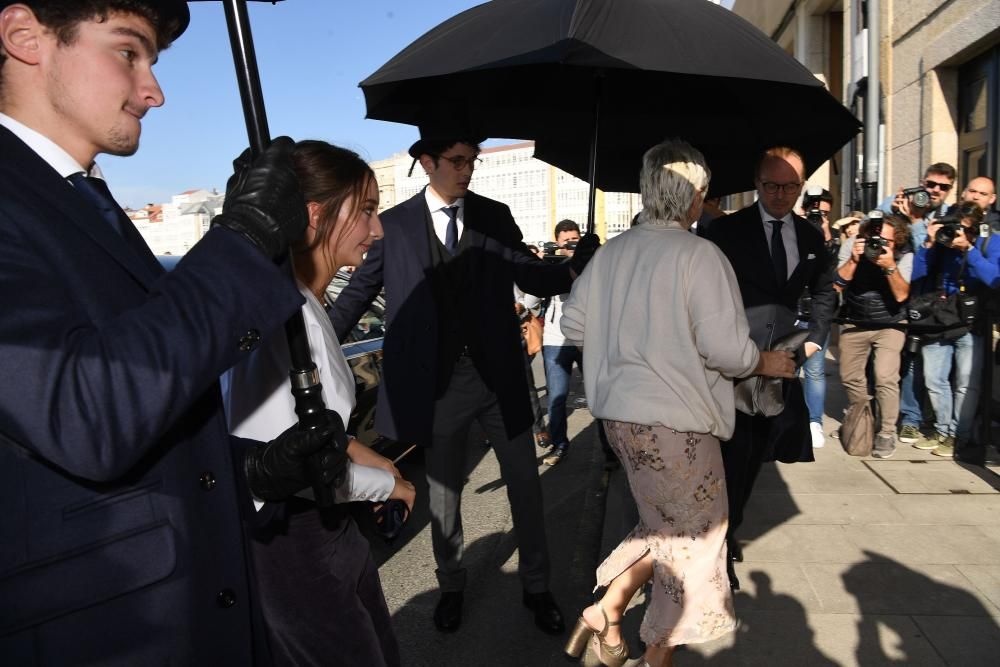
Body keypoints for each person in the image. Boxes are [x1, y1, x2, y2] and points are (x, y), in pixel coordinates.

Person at [0, 1, 346, 663]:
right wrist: (242, 242)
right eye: (129, 52)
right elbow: (83, 410)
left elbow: (142, 401)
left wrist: (257, 470)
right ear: (24, 36)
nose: (154, 90)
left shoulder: (84, 200)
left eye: (152, 61)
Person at [329, 119, 598, 635]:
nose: (466, 170)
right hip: (437, 388)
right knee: (444, 494)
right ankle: (451, 585)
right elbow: (356, 295)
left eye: (472, 160)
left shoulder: (495, 216)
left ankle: (537, 588)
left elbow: (529, 272)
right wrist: (312, 346)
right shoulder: (395, 225)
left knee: (526, 485)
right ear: (426, 162)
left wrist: (569, 267)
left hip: (499, 379)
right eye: (456, 161)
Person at [560, 138, 795, 667]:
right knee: (694, 546)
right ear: (695, 196)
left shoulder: (613, 252)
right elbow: (728, 352)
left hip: (622, 421)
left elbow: (573, 323)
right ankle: (655, 657)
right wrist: (768, 362)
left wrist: (625, 331)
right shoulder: (699, 255)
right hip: (676, 427)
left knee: (667, 527)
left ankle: (608, 609)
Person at [223, 141, 416, 666]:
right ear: (315, 215)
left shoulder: (303, 304)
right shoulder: (281, 318)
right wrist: (390, 484)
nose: (377, 231)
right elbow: (289, 462)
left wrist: (363, 454)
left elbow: (310, 430)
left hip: (330, 537)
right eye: (367, 212)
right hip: (295, 547)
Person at [700, 146, 835, 590]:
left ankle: (729, 528)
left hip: (781, 368)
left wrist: (815, 337)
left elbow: (822, 294)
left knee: (756, 458)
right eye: (772, 185)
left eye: (791, 186)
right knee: (728, 460)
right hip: (731, 364)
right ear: (756, 184)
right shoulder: (726, 232)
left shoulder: (812, 236)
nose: (781, 194)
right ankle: (718, 547)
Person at [911, 201, 1000, 458]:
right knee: (934, 378)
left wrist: (969, 250)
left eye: (963, 229)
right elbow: (917, 273)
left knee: (965, 384)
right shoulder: (942, 241)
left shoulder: (989, 242)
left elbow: (993, 278)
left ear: (976, 228)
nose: (956, 233)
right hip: (941, 317)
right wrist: (930, 243)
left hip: (973, 320)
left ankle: (957, 436)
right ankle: (942, 430)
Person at [880, 162, 956, 443]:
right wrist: (894, 210)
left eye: (943, 187)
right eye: (930, 184)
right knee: (908, 360)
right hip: (901, 293)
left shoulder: (949, 216)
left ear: (949, 190)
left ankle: (931, 418)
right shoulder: (898, 201)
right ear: (921, 182)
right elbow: (877, 228)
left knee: (934, 366)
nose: (934, 191)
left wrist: (916, 222)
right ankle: (910, 418)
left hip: (934, 300)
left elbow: (932, 256)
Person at [835, 212, 914, 459]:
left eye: (886, 242)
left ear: (896, 241)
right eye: (874, 239)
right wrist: (855, 261)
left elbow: (902, 296)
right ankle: (863, 418)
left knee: (885, 376)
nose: (878, 245)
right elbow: (837, 285)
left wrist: (889, 266)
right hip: (855, 319)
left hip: (890, 321)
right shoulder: (852, 245)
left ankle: (887, 432)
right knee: (850, 376)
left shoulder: (904, 254)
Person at [797, 186, 836, 448]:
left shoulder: (830, 240)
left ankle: (814, 422)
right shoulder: (789, 231)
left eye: (823, 213)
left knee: (815, 371)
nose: (817, 216)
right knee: (785, 371)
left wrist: (826, 237)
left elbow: (831, 277)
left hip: (816, 315)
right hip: (791, 311)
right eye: (814, 211)